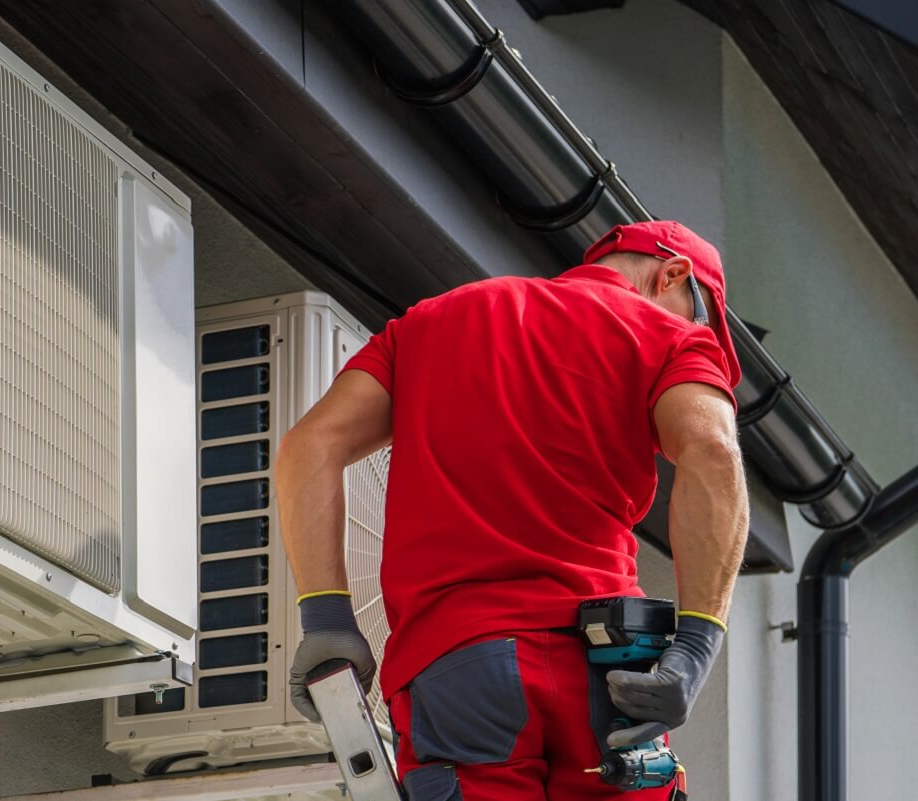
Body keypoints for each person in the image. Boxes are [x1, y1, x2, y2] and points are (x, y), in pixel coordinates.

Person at [277, 220, 750, 801]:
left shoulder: (428, 324)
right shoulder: (669, 338)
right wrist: (698, 645)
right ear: (673, 274)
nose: (696, 329)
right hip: (603, 668)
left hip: (457, 662)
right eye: (697, 313)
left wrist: (327, 620)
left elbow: (310, 445)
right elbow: (711, 450)